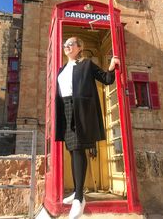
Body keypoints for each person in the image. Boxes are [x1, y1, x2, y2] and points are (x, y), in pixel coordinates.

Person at [55, 37, 120, 219]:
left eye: (70, 44)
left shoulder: (86, 65)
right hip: (65, 110)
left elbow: (106, 79)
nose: (66, 46)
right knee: (73, 151)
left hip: (81, 111)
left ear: (79, 47)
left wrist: (113, 65)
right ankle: (77, 192)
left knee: (78, 150)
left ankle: (78, 198)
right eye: (64, 44)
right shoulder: (61, 69)